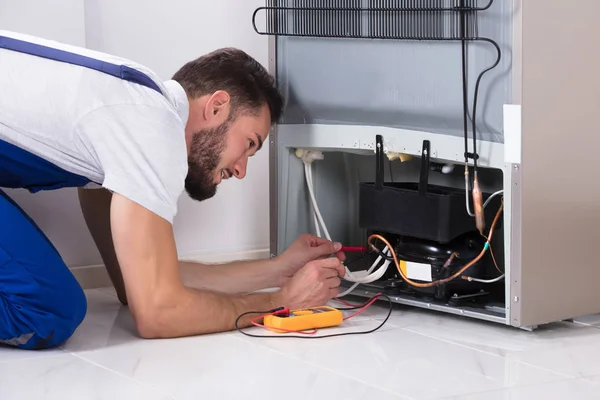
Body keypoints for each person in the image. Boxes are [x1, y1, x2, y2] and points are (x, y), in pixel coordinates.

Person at [0, 30, 346, 350]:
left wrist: (278, 270)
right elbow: (157, 312)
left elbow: (136, 281)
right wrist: (281, 301)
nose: (241, 170)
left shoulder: (131, 114)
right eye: (249, 144)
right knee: (48, 309)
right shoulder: (153, 126)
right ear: (216, 106)